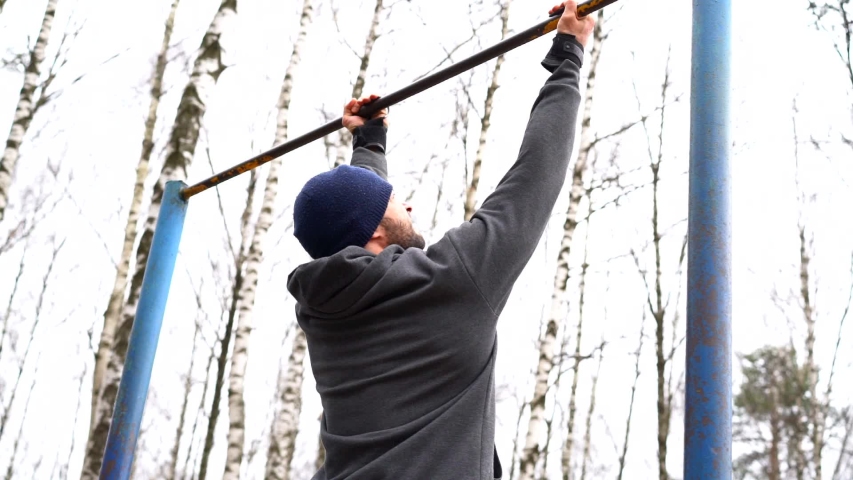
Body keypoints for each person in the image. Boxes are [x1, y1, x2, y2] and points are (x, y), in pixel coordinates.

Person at [287, 3, 594, 478]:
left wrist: (370, 144)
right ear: (374, 231)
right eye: (396, 202)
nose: (408, 206)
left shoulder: (321, 313)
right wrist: (568, 55)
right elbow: (534, 177)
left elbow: (356, 221)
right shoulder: (450, 283)